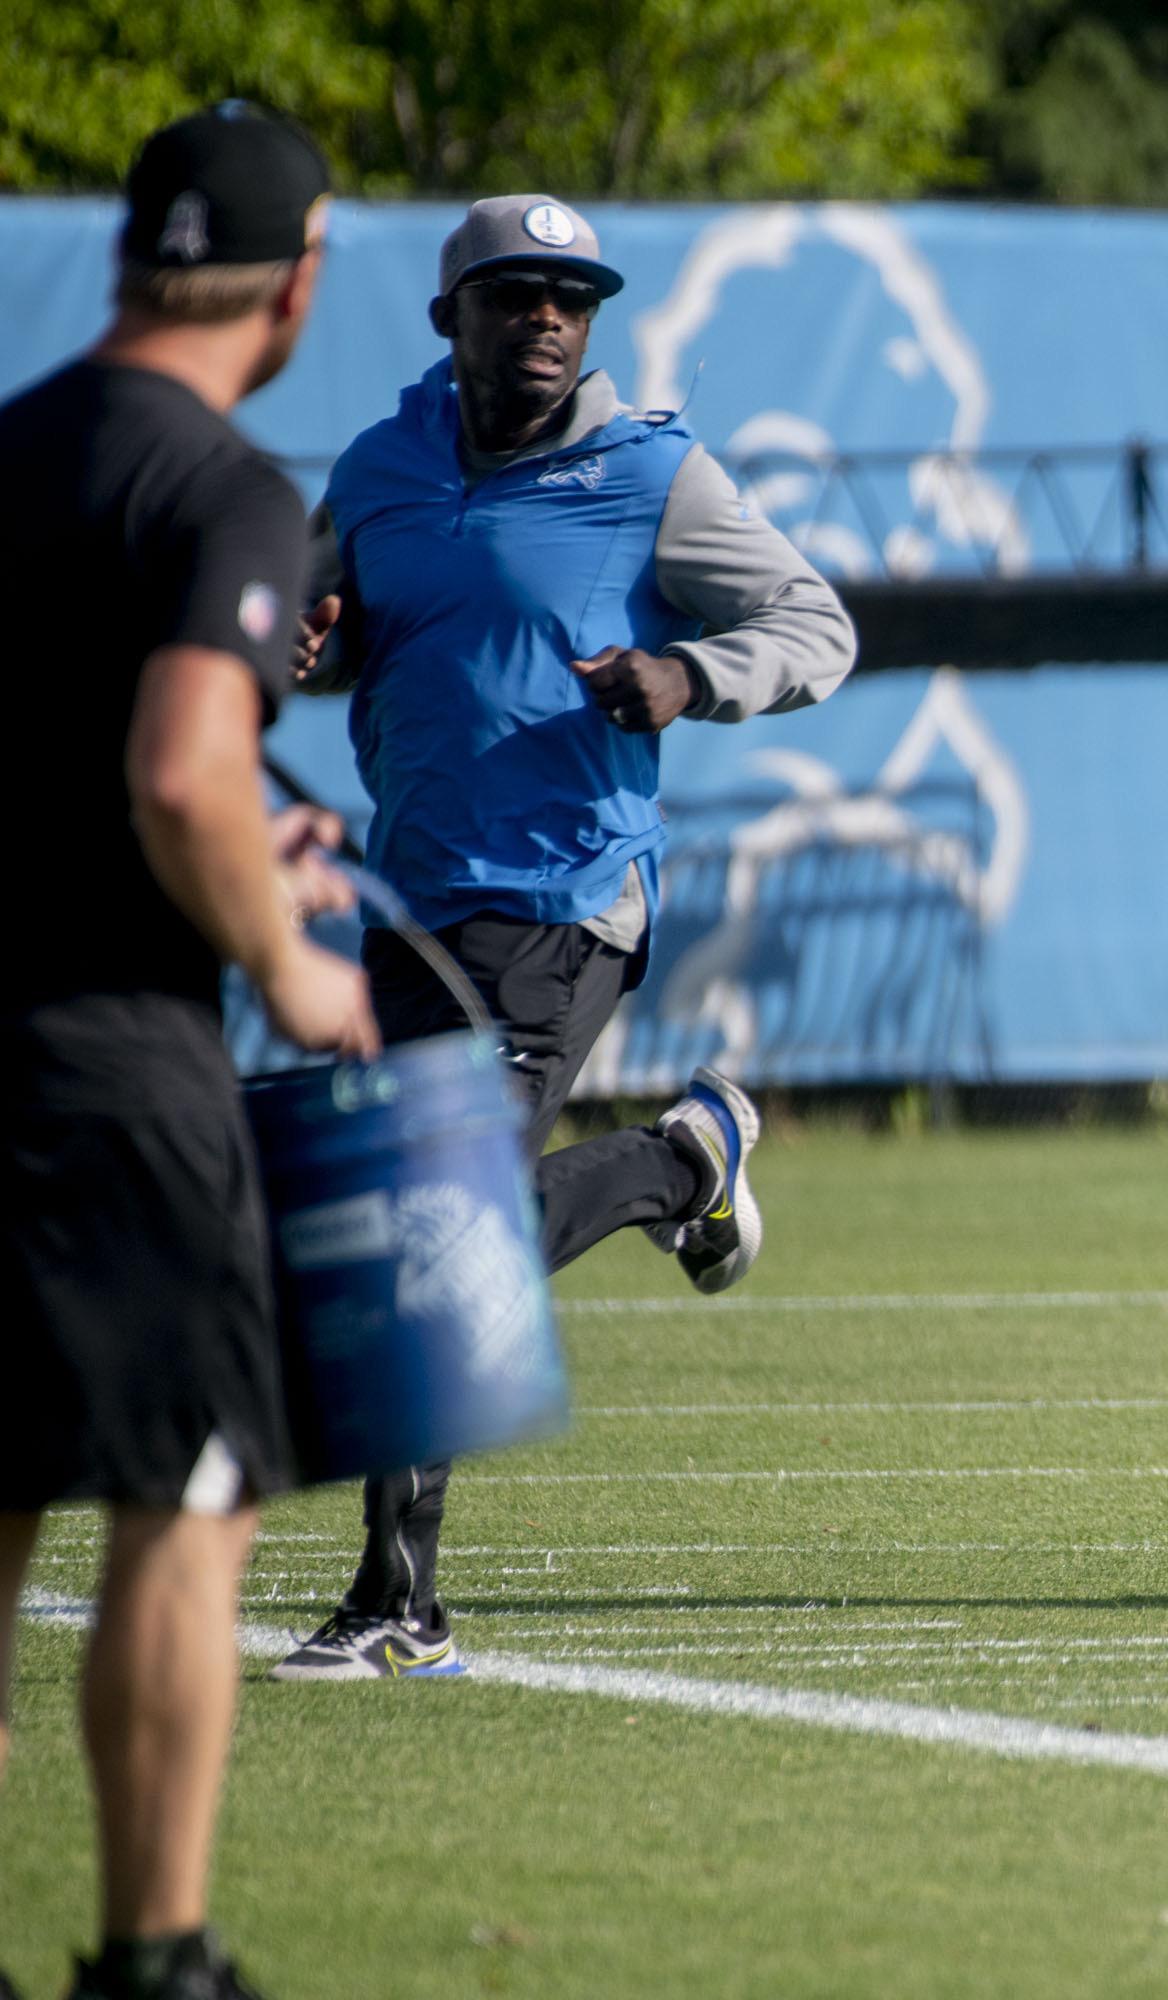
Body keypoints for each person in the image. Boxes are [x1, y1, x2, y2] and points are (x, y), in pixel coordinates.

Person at [266, 193, 857, 1682]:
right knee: (414, 1235)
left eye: (570, 299)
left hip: (565, 896)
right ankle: (685, 1161)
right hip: (410, 897)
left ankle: (401, 1605)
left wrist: (689, 672)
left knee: (445, 1230)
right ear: (451, 320)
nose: (545, 319)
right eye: (515, 295)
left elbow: (816, 626)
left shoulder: (651, 470)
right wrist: (301, 635)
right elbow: (328, 622)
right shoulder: (384, 470)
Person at [0, 104, 378, 2000]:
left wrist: (241, 825)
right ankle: (155, 1959)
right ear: (300, 277)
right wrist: (292, 968)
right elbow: (174, 774)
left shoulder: (9, 445)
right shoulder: (233, 486)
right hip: (110, 1072)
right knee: (184, 1494)